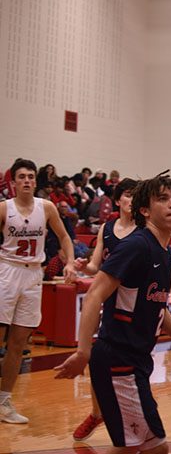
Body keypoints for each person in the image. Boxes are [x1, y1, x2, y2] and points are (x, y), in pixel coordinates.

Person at [54, 173, 171, 453]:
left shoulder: (164, 254)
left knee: (134, 447)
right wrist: (83, 353)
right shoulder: (137, 246)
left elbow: (157, 309)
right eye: (163, 199)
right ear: (144, 210)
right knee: (155, 448)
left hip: (136, 362)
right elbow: (94, 295)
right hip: (119, 361)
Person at [0, 158, 77, 425]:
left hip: (34, 275)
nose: (27, 181)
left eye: (31, 176)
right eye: (21, 177)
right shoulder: (3, 209)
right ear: (13, 183)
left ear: (36, 180)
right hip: (6, 272)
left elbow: (65, 237)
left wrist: (69, 262)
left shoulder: (46, 207)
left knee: (18, 345)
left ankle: (4, 401)